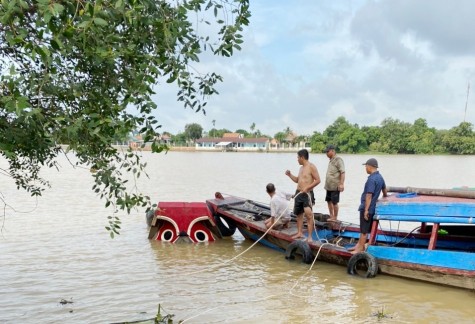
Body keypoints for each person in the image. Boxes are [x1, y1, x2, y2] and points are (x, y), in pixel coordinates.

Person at [350, 158, 387, 254]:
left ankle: (359, 249)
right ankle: (358, 245)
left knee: (364, 231)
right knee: (363, 228)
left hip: (367, 207)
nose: (365, 168)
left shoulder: (371, 179)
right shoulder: (380, 177)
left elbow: (369, 195)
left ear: (370, 166)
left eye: (366, 166)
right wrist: (382, 198)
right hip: (373, 207)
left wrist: (366, 210)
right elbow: (385, 191)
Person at [285, 149, 321, 243]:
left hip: (307, 194)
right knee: (299, 214)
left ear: (302, 157)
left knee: (309, 215)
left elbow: (318, 180)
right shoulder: (301, 168)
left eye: (298, 157)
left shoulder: (311, 167)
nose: (297, 159)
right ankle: (299, 233)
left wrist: (308, 188)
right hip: (298, 193)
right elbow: (298, 180)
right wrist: (290, 175)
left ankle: (309, 236)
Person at [324, 144, 345, 221]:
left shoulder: (338, 160)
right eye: (326, 152)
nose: (326, 153)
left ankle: (335, 217)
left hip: (335, 186)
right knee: (328, 201)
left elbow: (342, 172)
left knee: (334, 202)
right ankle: (331, 216)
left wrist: (341, 184)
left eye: (327, 151)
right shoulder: (331, 160)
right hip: (328, 186)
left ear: (333, 151)